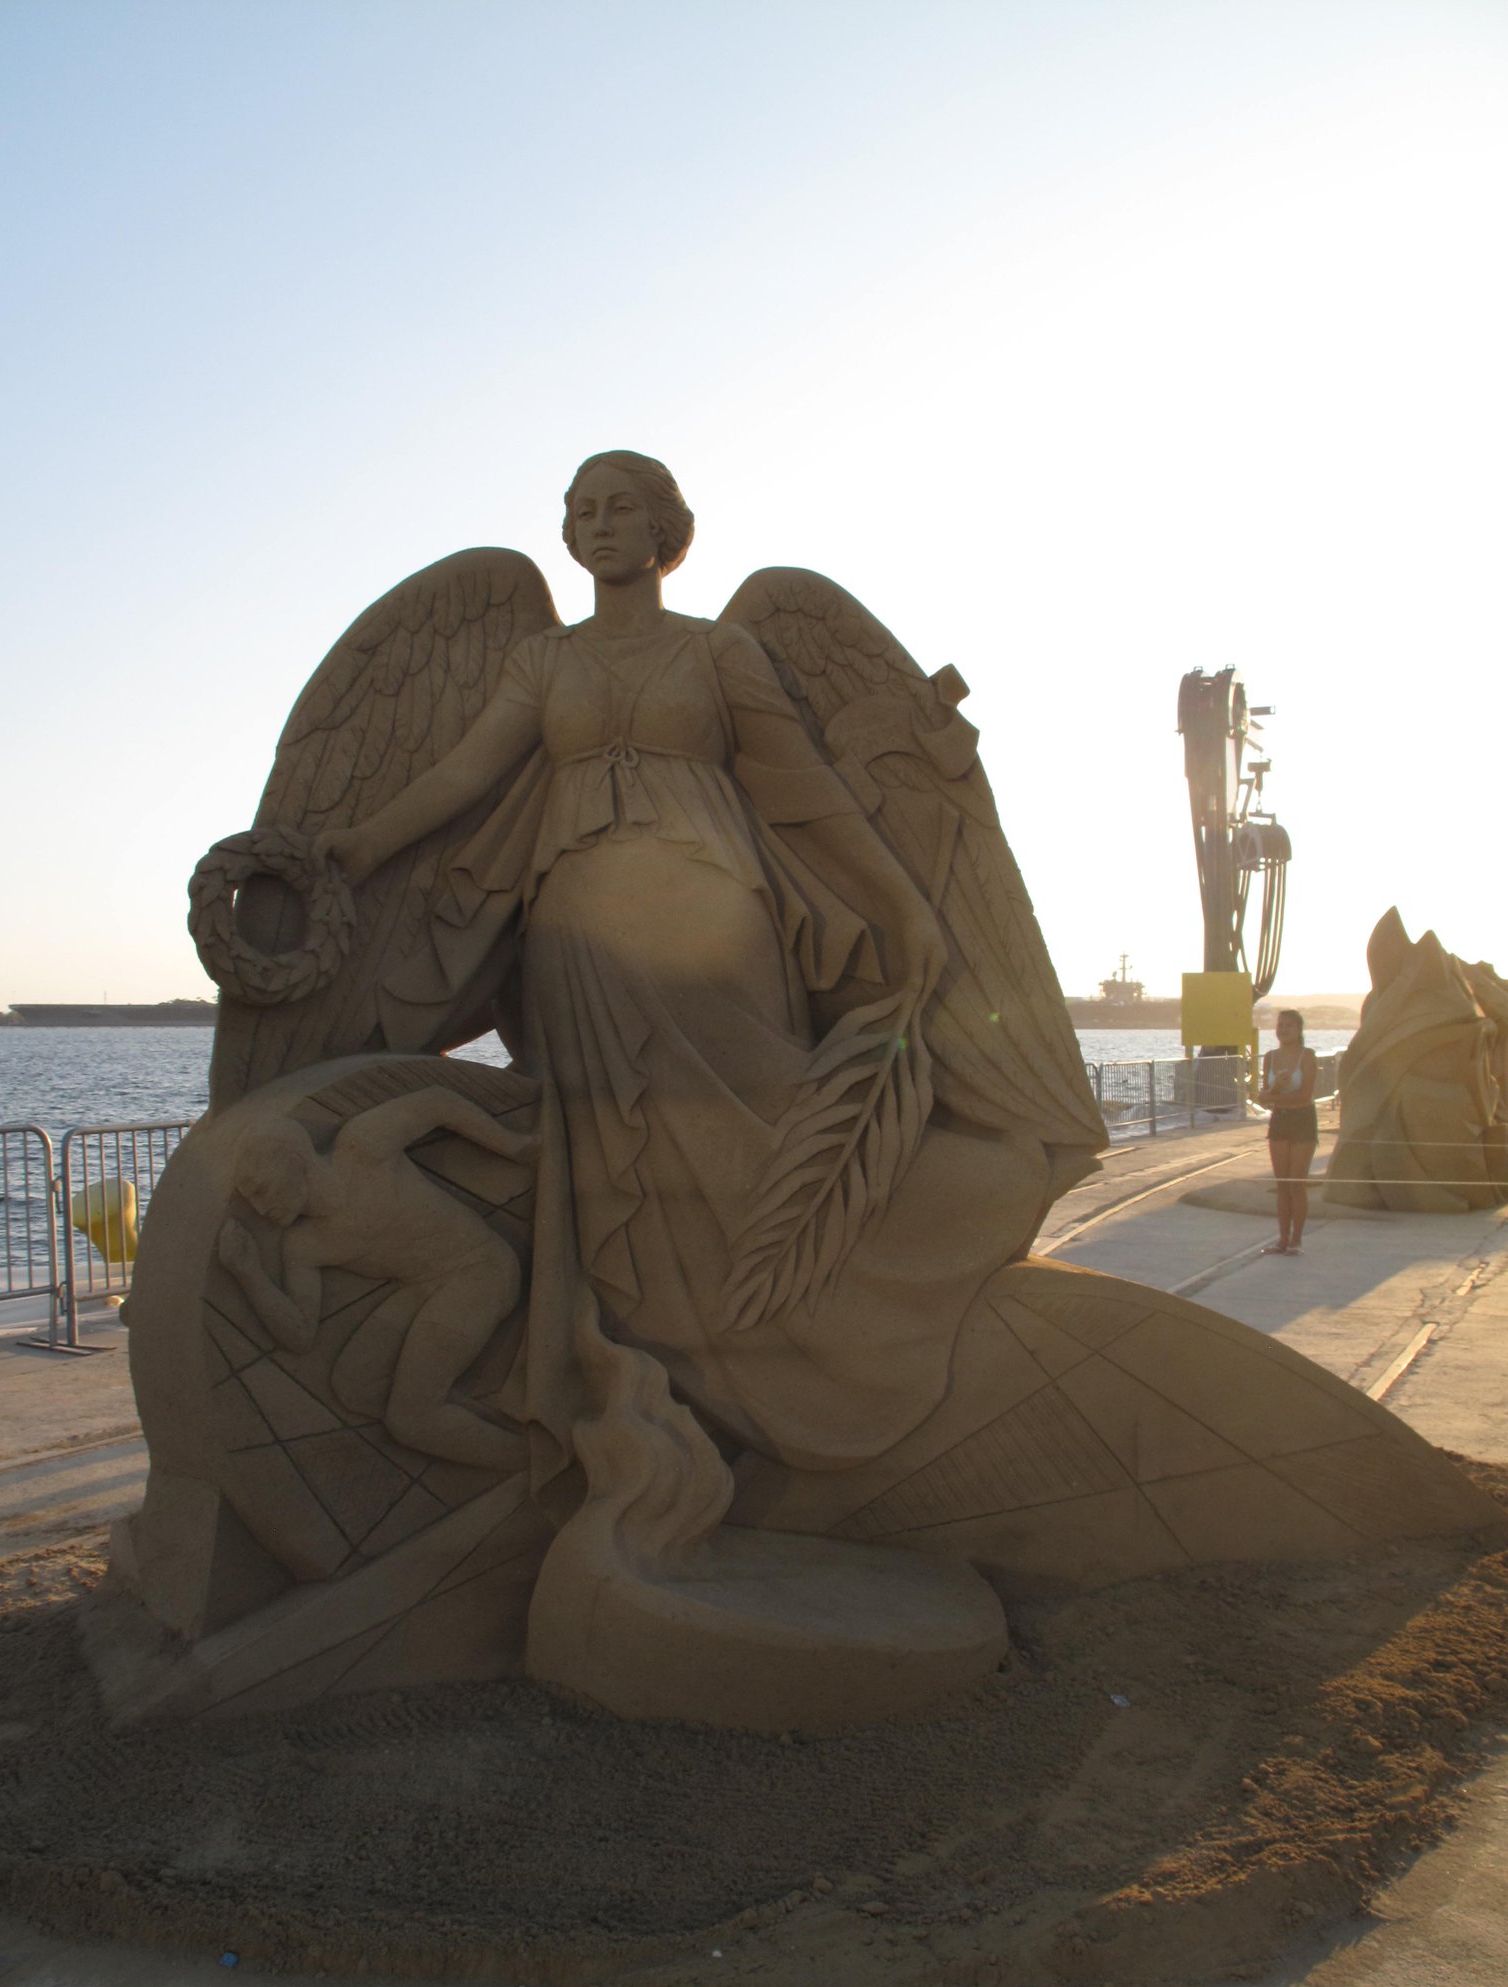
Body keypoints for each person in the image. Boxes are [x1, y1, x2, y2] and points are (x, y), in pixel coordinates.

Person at [316, 451, 1071, 1529]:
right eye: (581, 510)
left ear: (669, 527)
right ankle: (669, 1381)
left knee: (756, 1119)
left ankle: (851, 1304)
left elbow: (802, 791)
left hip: (717, 924)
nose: (598, 523)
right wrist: (355, 847)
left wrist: (901, 903)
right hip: (577, 936)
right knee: (618, 1165)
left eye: (621, 505)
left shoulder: (721, 653)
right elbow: (462, 776)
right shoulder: (542, 660)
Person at [217, 1084, 535, 1467]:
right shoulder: (306, 1245)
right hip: (427, 1285)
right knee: (355, 1386)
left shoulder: (362, 1148)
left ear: (293, 1159)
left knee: (411, 1421)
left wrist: (512, 1145)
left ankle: (538, 1467)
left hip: (480, 1271)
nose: (264, 1209)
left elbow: (438, 1101)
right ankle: (472, 1419)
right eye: (254, 1202)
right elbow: (300, 1334)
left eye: (264, 1190)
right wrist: (249, 1273)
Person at [1261, 1007, 1318, 1254]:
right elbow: (1264, 1096)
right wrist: (1276, 1089)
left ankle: (1297, 1239)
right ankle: (1282, 1238)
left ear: (1299, 1030)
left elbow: (1305, 1096)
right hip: (1280, 1120)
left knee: (1297, 1183)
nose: (1283, 1030)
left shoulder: (1307, 1056)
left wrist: (1276, 1097)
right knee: (1282, 1183)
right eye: (1280, 1025)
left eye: (1289, 1026)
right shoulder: (1270, 1057)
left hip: (1303, 1120)